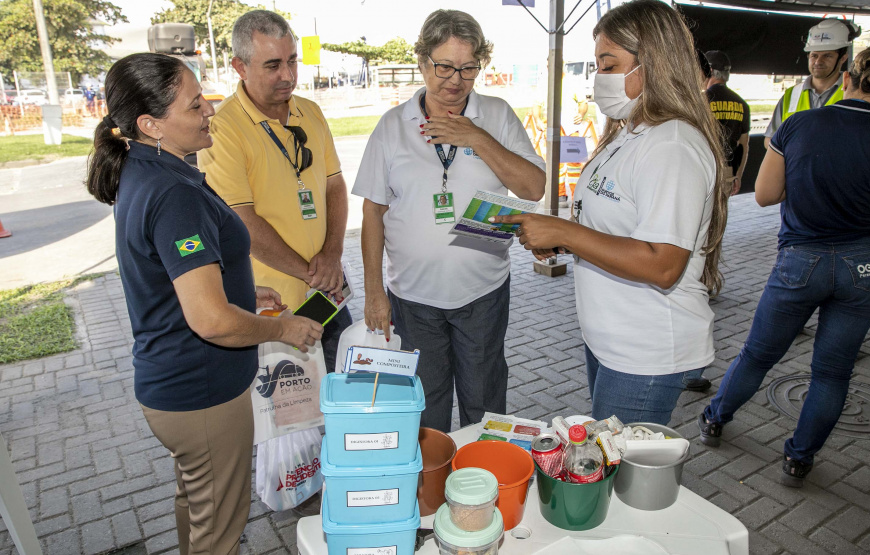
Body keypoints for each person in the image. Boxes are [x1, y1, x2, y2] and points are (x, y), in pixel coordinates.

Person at [85, 53, 323, 554]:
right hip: (203, 394)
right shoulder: (173, 193)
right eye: (195, 106)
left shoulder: (146, 171)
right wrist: (285, 330)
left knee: (196, 506)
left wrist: (241, 289)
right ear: (151, 124)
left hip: (172, 388)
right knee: (219, 531)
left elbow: (174, 276)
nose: (210, 111)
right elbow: (211, 320)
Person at [492, 0, 730, 426]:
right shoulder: (630, 132)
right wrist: (561, 238)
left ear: (652, 65)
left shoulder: (671, 145)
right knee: (609, 459)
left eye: (608, 64)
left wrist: (565, 229)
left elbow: (663, 264)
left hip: (645, 349)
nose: (598, 78)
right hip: (611, 337)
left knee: (619, 482)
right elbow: (615, 226)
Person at [698, 44, 870, 487]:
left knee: (758, 354)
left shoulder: (799, 124)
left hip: (800, 261)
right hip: (865, 268)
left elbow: (764, 195)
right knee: (833, 372)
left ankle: (716, 418)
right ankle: (799, 458)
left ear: (848, 75)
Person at [353, 9, 546, 432]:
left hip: (482, 292)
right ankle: (434, 490)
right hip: (412, 298)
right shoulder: (392, 127)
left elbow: (533, 187)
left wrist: (476, 137)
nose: (455, 81)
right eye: (443, 67)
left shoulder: (496, 115)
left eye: (468, 68)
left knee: (484, 402)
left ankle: (485, 484)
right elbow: (373, 211)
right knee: (427, 407)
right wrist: (373, 293)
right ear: (422, 62)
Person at [198, 10, 351, 372]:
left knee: (342, 403)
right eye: (273, 65)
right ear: (239, 66)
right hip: (271, 309)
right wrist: (311, 272)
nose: (288, 76)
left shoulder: (310, 112)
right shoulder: (221, 130)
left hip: (327, 294)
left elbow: (334, 186)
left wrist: (331, 255)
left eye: (292, 61)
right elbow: (242, 219)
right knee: (289, 422)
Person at [764, 19, 860, 148]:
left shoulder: (855, 94)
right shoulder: (791, 95)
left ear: (843, 58)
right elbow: (770, 139)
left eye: (827, 56)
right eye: (814, 55)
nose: (818, 62)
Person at [704, 51, 750, 196]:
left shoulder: (700, 102)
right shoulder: (742, 104)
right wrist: (737, 176)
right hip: (727, 172)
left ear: (709, 70)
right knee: (720, 217)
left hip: (703, 169)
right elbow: (743, 145)